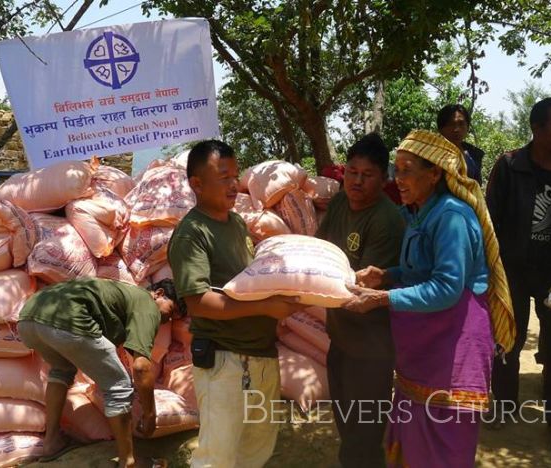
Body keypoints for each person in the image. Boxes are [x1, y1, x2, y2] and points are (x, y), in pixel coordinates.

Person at [344, 130, 516, 468]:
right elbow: (422, 268)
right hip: (426, 348)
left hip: (454, 348)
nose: (399, 179)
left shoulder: (451, 216)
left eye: (407, 170)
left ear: (435, 173)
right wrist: (389, 274)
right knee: (415, 434)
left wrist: (382, 297)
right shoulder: (420, 211)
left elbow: (448, 286)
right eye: (397, 169)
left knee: (445, 441)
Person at [167, 139, 303, 468]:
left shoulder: (237, 223)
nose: (233, 184)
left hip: (260, 354)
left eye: (235, 176)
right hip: (225, 361)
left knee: (256, 452)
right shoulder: (192, 233)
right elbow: (199, 302)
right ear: (196, 184)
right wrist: (266, 307)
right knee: (218, 457)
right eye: (224, 176)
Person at [486, 98, 551, 457]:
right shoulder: (510, 165)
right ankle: (504, 402)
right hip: (513, 268)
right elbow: (491, 218)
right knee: (506, 339)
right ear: (537, 128)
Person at [17, 277, 182, 467]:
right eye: (171, 311)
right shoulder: (146, 302)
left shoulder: (124, 296)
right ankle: (128, 462)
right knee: (119, 386)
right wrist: (149, 414)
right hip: (66, 319)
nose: (168, 320)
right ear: (159, 293)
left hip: (28, 318)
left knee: (61, 370)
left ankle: (51, 443)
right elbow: (141, 367)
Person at [316, 133, 405, 468]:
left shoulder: (387, 220)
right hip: (340, 337)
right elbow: (321, 248)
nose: (356, 181)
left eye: (367, 175)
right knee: (346, 426)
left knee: (364, 436)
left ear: (384, 180)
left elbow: (358, 287)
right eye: (352, 171)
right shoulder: (340, 201)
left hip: (372, 348)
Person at [437, 104, 486, 184]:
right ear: (440, 129)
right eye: (451, 124)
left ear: (467, 127)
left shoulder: (473, 156)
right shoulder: (430, 155)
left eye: (461, 124)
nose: (456, 129)